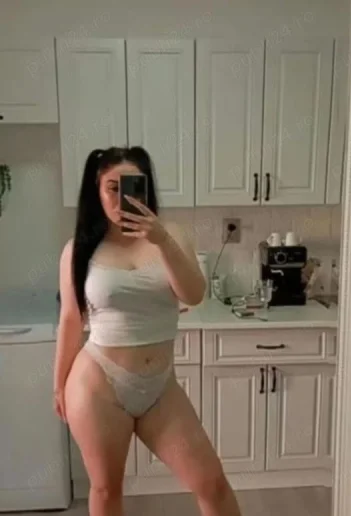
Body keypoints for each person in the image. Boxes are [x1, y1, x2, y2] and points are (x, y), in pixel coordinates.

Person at [53, 146, 242, 516]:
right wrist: (58, 385)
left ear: (146, 189)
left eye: (133, 186)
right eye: (112, 187)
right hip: (97, 386)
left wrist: (161, 240)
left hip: (160, 387)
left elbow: (194, 295)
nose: (122, 198)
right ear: (96, 190)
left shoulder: (171, 235)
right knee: (106, 489)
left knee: (212, 483)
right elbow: (71, 320)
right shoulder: (79, 249)